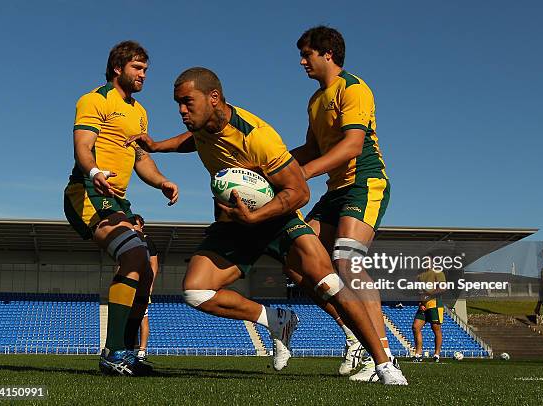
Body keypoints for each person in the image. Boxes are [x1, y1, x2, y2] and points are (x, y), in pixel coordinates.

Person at [125, 67, 406, 384]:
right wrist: (157, 146)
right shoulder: (204, 125)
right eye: (178, 103)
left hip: (277, 218)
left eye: (187, 102)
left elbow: (299, 192)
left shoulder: (257, 137)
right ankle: (276, 319)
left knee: (329, 281)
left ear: (214, 98)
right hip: (235, 222)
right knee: (196, 291)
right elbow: (193, 139)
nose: (181, 110)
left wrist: (257, 216)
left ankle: (384, 364)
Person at [287, 25, 398, 382]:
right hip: (335, 190)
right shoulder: (315, 100)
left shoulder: (353, 88)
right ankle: (353, 334)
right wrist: (270, 167)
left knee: (346, 261)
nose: (302, 61)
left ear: (328, 54)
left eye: (307, 54)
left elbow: (351, 147)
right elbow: (312, 149)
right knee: (298, 260)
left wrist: (300, 174)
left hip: (365, 183)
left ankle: (381, 353)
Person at [63, 40, 178, 376]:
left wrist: (162, 182)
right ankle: (113, 354)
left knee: (146, 268)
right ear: (118, 68)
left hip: (116, 198)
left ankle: (127, 355)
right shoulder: (95, 99)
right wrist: (95, 171)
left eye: (145, 69)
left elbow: (142, 158)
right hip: (85, 190)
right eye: (137, 68)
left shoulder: (139, 112)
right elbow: (82, 147)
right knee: (133, 255)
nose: (143, 75)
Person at [132, 214, 159, 361]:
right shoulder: (128, 241)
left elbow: (154, 264)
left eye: (135, 224)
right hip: (129, 286)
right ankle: (128, 348)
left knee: (143, 318)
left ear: (142, 225)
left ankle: (142, 350)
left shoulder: (148, 241)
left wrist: (151, 284)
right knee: (128, 317)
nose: (133, 227)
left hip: (142, 284)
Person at [411, 267, 446, 362]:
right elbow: (419, 291)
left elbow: (443, 288)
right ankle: (418, 354)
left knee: (436, 328)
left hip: (435, 304)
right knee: (415, 327)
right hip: (423, 305)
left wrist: (429, 295)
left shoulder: (438, 272)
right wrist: (420, 302)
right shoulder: (419, 275)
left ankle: (436, 354)